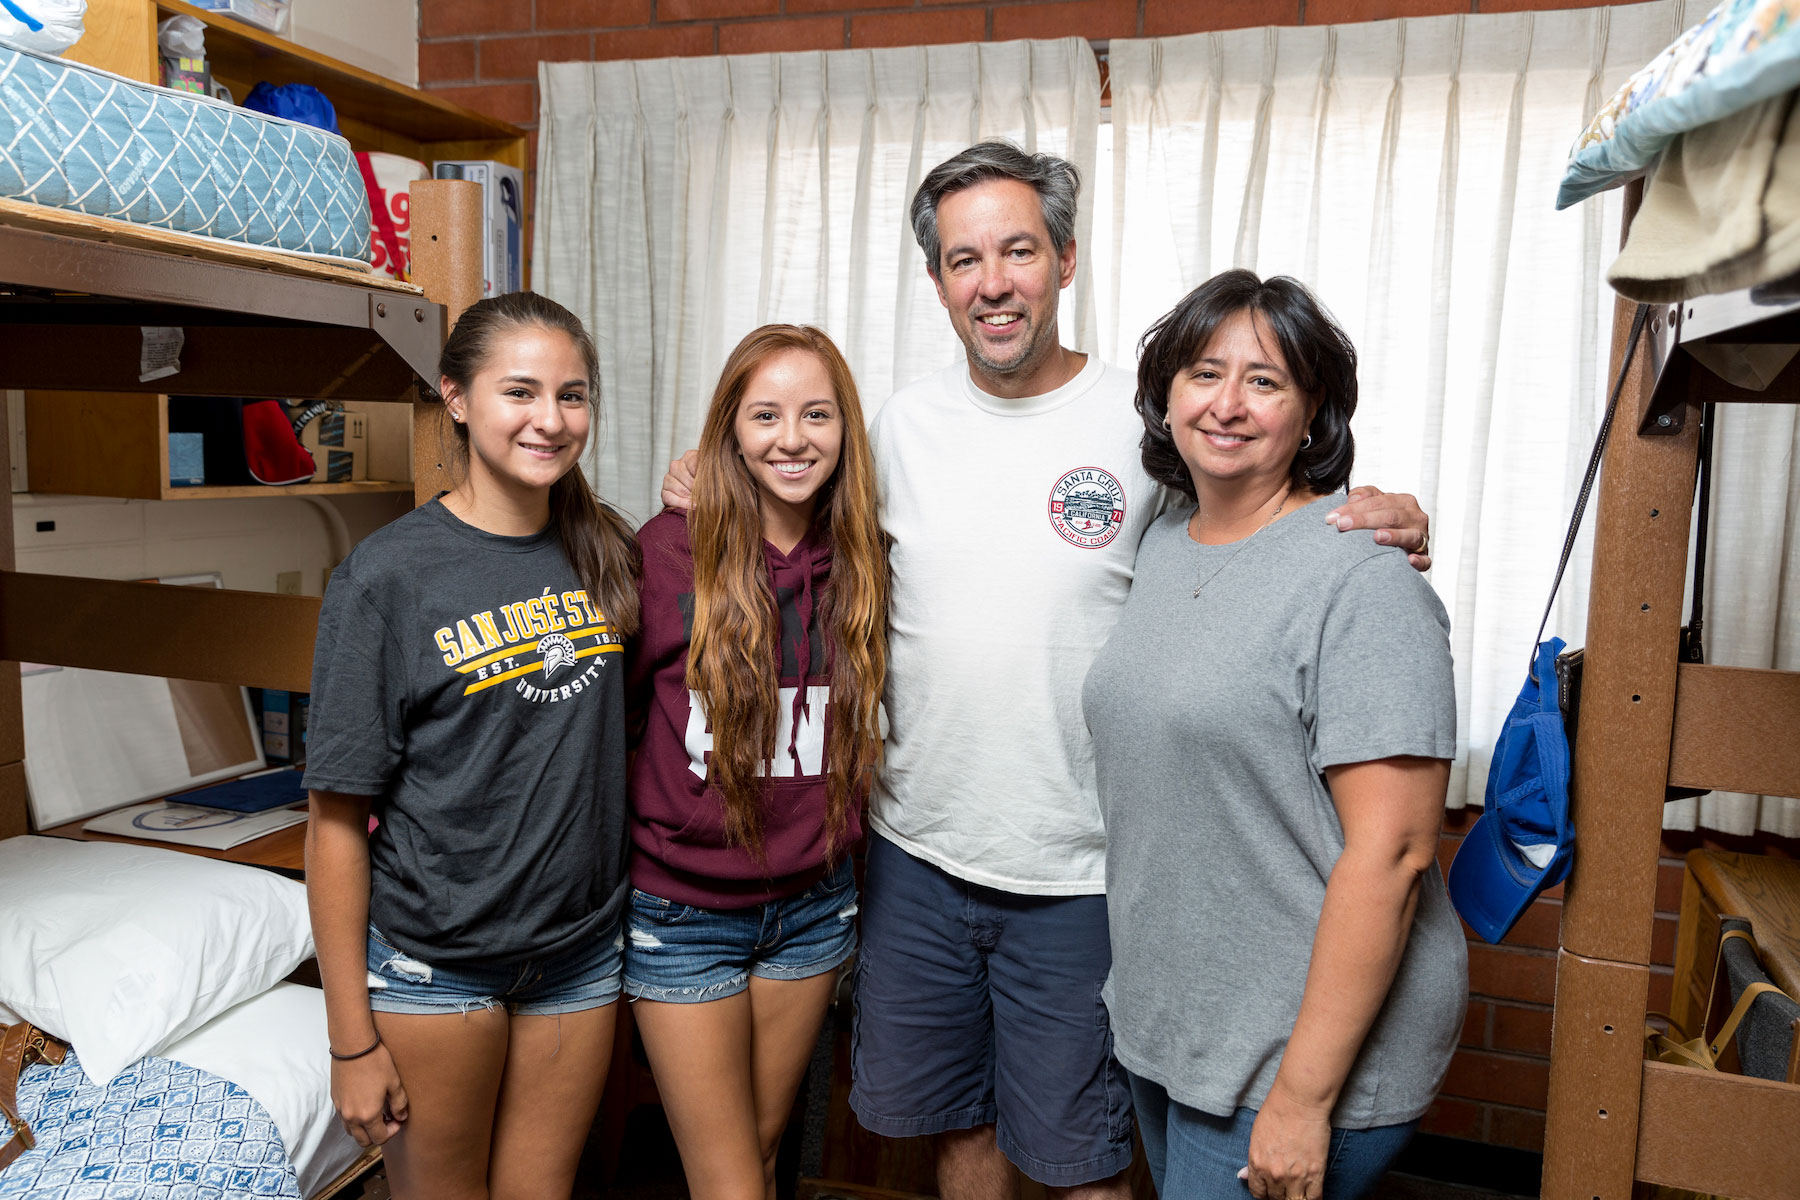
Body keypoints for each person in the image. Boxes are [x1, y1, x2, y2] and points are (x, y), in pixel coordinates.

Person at [663, 142, 1432, 1200]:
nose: (993, 282)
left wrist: (1383, 514)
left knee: (1083, 1165)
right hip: (914, 857)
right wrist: (704, 475)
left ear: (1065, 259)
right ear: (936, 281)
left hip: (1082, 873)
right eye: (964, 258)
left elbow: (1258, 523)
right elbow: (793, 532)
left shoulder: (1152, 423)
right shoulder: (893, 429)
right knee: (959, 1136)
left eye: (1018, 250)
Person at [1082, 270, 1466, 1200]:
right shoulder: (1166, 541)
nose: (1227, 404)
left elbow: (1398, 854)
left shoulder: (1366, 581)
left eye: (1265, 381)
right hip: (1183, 1023)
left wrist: (1302, 1096)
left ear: (1312, 411)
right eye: (1203, 373)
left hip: (1292, 1052)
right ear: (1165, 397)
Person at [303, 292, 641, 1200]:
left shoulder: (606, 547)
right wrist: (351, 1040)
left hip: (576, 951)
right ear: (455, 397)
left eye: (573, 396)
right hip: (434, 965)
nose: (551, 420)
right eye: (520, 392)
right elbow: (336, 820)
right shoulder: (387, 577)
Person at [624, 324, 888, 1200]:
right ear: (728, 430)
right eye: (765, 415)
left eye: (816, 415)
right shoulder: (664, 550)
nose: (791, 438)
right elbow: (616, 724)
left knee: (760, 1156)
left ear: (845, 428)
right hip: (681, 912)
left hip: (813, 910)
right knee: (731, 1181)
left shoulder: (866, 559)